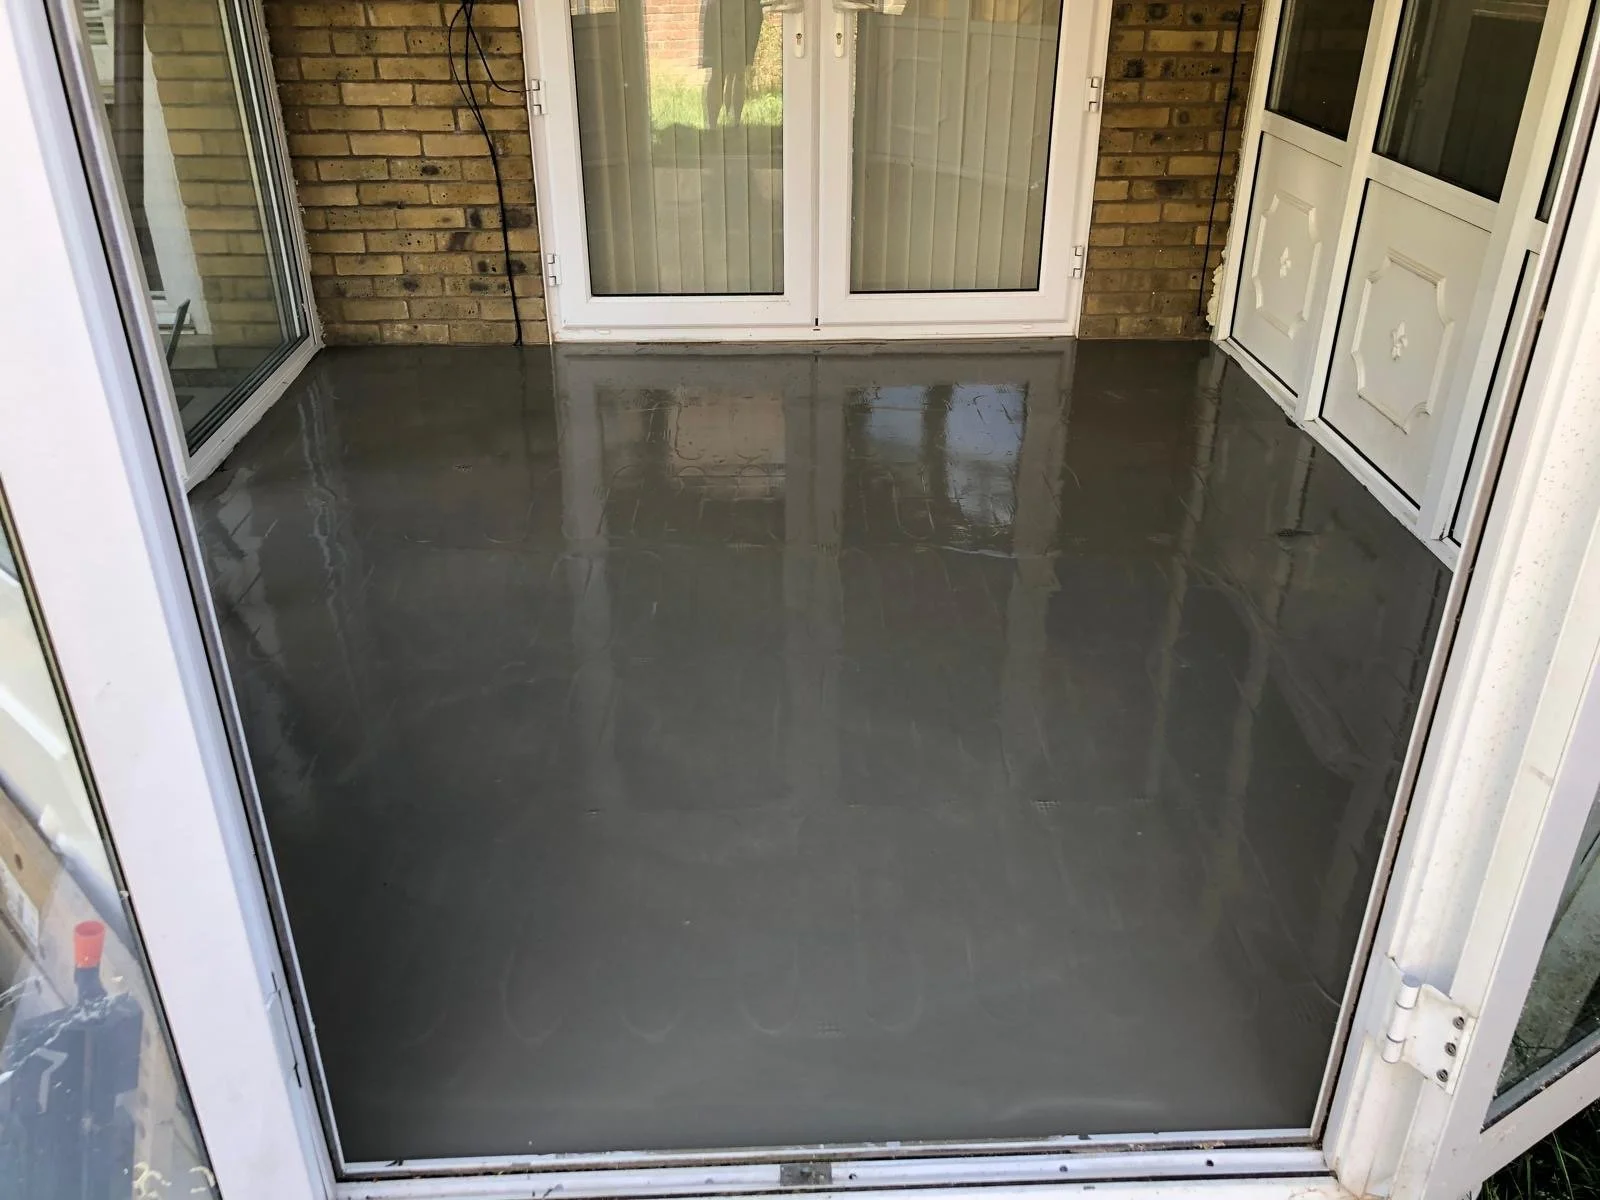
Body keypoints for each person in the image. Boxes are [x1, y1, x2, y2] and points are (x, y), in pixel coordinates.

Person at [701, 0, 764, 127]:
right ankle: (712, 125)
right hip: (722, 13)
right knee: (718, 74)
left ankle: (736, 122)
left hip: (746, 13)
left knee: (740, 72)